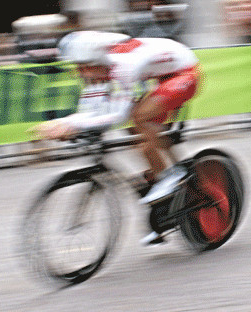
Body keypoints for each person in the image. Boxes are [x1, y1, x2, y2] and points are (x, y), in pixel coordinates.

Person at [33, 30, 202, 245]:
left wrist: (71, 124)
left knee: (139, 116)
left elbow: (118, 115)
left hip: (184, 72)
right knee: (138, 137)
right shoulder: (98, 68)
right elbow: (90, 111)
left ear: (97, 61)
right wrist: (68, 125)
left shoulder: (124, 66)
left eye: (84, 67)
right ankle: (163, 202)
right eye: (77, 68)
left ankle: (170, 177)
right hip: (159, 74)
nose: (81, 73)